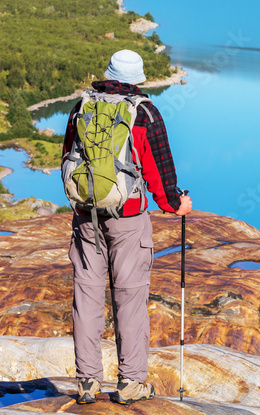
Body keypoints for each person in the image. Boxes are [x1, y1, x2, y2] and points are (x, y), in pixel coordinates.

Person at [63, 49, 192, 405]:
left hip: (85, 215)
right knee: (129, 297)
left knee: (86, 295)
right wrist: (175, 204)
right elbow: (158, 169)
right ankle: (130, 382)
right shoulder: (144, 112)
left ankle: (87, 381)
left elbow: (67, 157)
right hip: (129, 218)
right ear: (139, 78)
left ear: (107, 73)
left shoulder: (82, 107)